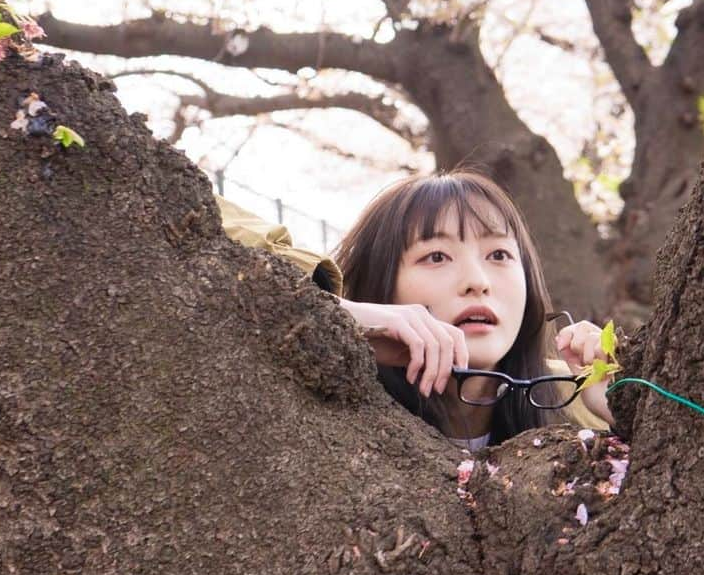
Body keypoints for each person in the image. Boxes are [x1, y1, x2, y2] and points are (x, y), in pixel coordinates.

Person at [219, 170, 617, 448]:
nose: (477, 280)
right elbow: (188, 219)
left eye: (498, 254)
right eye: (437, 256)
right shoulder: (314, 394)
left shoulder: (575, 395)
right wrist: (338, 314)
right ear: (382, 283)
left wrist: (621, 408)